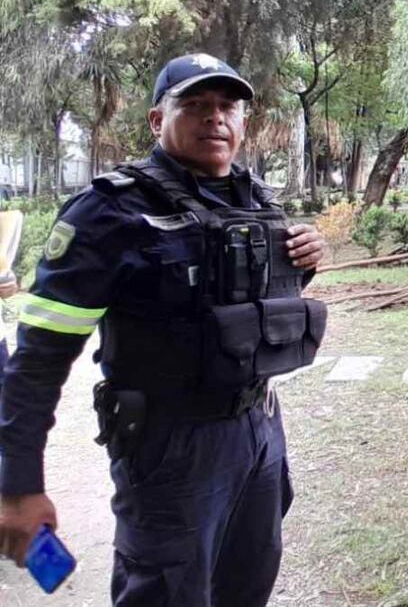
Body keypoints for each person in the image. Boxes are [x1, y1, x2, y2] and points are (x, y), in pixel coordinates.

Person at [0, 53, 327, 605]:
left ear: (243, 121)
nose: (215, 119)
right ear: (158, 120)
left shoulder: (256, 198)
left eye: (227, 106)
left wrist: (307, 256)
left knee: (246, 584)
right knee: (168, 592)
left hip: (259, 430)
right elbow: (35, 362)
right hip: (171, 449)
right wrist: (18, 484)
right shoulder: (108, 213)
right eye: (195, 105)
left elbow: (244, 300)